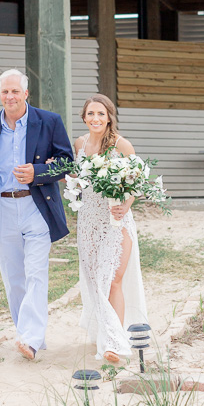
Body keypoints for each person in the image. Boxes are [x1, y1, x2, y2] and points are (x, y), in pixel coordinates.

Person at [0, 69, 72, 360]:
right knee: (13, 277)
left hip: (36, 206)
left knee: (36, 272)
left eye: (14, 91)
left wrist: (37, 173)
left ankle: (30, 339)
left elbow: (66, 162)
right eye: (4, 92)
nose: (9, 97)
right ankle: (29, 332)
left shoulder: (49, 121)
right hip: (1, 207)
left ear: (25, 94)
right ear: (0, 95)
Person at [74, 94, 148, 364]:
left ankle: (115, 343)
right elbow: (80, 182)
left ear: (109, 117)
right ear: (84, 117)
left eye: (101, 114)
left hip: (116, 220)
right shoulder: (79, 144)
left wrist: (126, 205)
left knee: (113, 279)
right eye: (91, 114)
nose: (95, 119)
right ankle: (105, 333)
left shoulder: (121, 145)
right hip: (88, 221)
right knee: (95, 281)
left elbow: (139, 182)